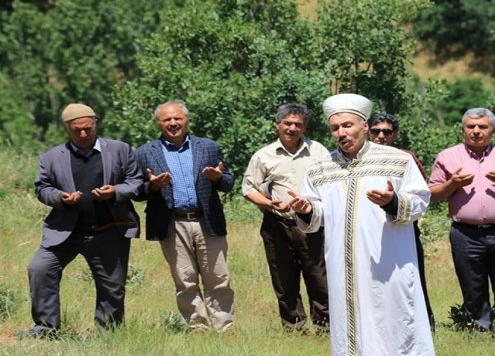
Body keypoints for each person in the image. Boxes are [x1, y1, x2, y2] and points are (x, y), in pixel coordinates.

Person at [288, 94, 434, 355]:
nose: (341, 133)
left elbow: (420, 201)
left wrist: (392, 201)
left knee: (395, 321)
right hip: (342, 267)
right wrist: (307, 209)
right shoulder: (320, 168)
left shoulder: (397, 161)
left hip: (389, 263)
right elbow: (316, 215)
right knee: (348, 324)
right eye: (335, 128)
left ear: (364, 126)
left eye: (347, 125)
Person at [18, 103, 141, 339]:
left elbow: (135, 182)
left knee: (112, 288)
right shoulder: (51, 157)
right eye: (77, 130)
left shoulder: (120, 150)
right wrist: (61, 198)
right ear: (67, 129)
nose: (83, 134)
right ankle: (46, 329)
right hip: (65, 231)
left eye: (88, 128)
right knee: (40, 268)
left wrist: (115, 191)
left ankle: (108, 334)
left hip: (108, 230)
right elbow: (42, 188)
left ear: (95, 125)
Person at [135, 101, 234, 332]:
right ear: (158, 123)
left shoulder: (208, 147)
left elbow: (228, 182)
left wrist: (216, 178)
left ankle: (225, 327)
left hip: (206, 220)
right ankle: (197, 327)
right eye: (167, 119)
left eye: (177, 118)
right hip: (172, 224)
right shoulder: (144, 153)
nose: (173, 123)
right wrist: (153, 187)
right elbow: (137, 192)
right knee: (185, 279)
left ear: (186, 120)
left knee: (218, 277)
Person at [429, 108, 495, 334]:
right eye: (470, 127)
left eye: (482, 127)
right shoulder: (447, 156)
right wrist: (453, 184)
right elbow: (433, 194)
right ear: (462, 129)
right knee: (472, 284)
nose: (476, 131)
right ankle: (479, 329)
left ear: (492, 130)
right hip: (465, 233)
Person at [242, 103, 329, 331]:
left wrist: (310, 205)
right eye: (287, 123)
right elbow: (248, 188)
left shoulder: (318, 152)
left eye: (298, 124)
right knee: (284, 279)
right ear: (277, 125)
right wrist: (269, 203)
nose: (292, 128)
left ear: (305, 127)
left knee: (319, 278)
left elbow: (331, 186)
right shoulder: (263, 155)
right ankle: (293, 327)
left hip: (313, 223)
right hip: (277, 225)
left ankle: (325, 327)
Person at [367, 112, 435, 330]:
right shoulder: (356, 160)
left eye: (387, 131)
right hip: (368, 231)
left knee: (409, 281)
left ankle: (422, 326)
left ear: (394, 134)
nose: (381, 136)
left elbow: (419, 194)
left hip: (402, 228)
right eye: (376, 131)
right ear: (367, 131)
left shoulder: (405, 158)